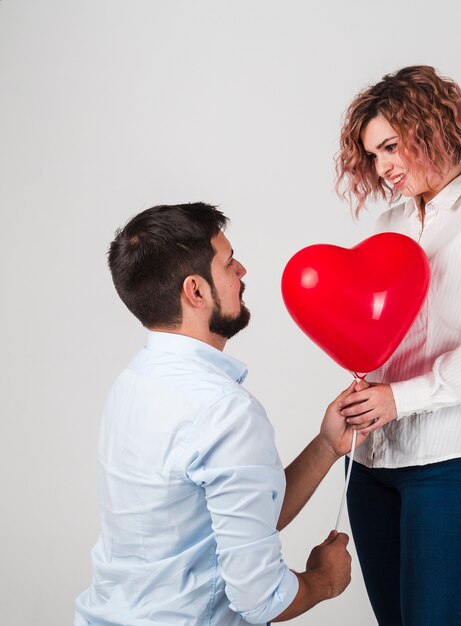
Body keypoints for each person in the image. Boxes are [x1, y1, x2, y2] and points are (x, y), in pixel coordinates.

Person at [74, 202, 367, 625]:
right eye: (228, 264)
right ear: (196, 291)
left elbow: (232, 525)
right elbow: (262, 599)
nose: (242, 271)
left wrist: (325, 446)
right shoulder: (225, 411)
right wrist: (324, 579)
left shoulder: (132, 384)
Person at [334, 66, 461, 625]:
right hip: (370, 460)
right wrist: (364, 384)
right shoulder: (388, 224)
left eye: (392, 147)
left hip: (449, 464)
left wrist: (400, 398)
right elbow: (373, 327)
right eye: (374, 155)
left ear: (434, 126)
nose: (384, 167)